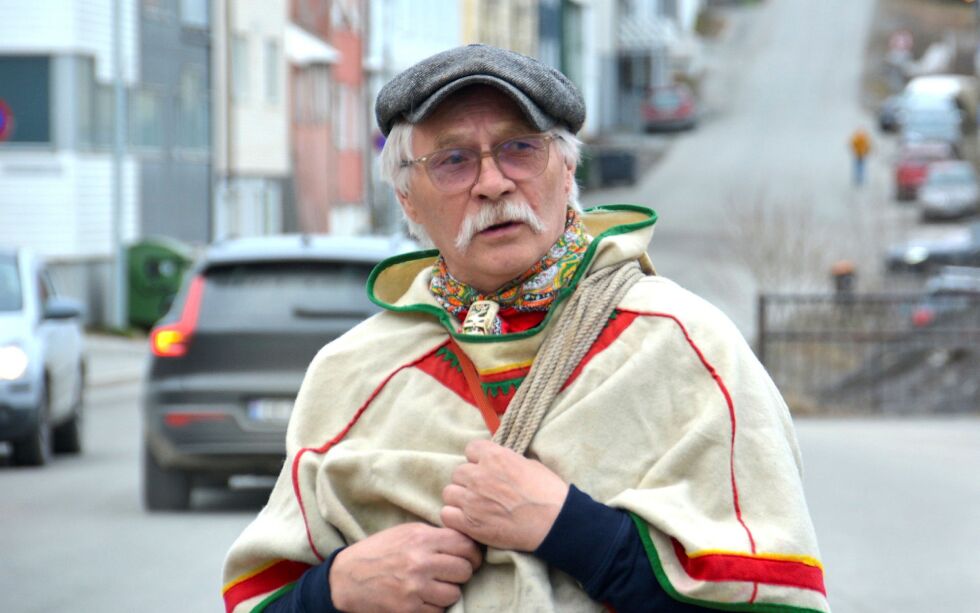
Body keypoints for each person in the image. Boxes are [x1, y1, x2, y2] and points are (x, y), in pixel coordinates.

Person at [222, 44, 830, 613]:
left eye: (520, 149)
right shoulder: (353, 375)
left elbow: (780, 601)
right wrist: (336, 590)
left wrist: (575, 532)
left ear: (566, 171)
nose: (492, 182)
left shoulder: (685, 344)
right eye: (453, 161)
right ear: (408, 200)